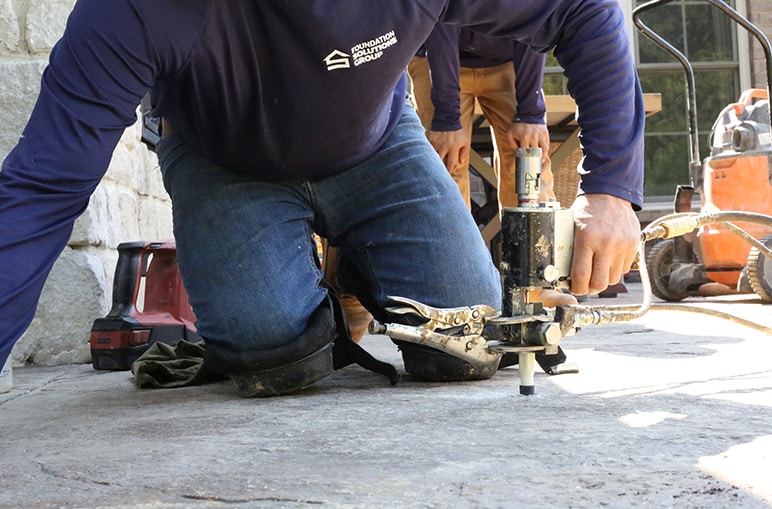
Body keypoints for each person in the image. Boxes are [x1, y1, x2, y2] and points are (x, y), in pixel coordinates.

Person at [0, 0, 644, 397]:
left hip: (377, 140)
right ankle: (303, 289)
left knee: (467, 343)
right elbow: (43, 187)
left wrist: (612, 191)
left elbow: (584, 10)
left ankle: (365, 262)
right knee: (271, 354)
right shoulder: (137, 11)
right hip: (224, 156)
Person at [408, 23, 554, 210]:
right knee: (445, 167)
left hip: (510, 60)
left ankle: (531, 230)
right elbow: (440, 21)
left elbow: (533, 18)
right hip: (435, 58)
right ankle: (453, 230)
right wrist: (446, 120)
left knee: (528, 163)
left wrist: (530, 114)